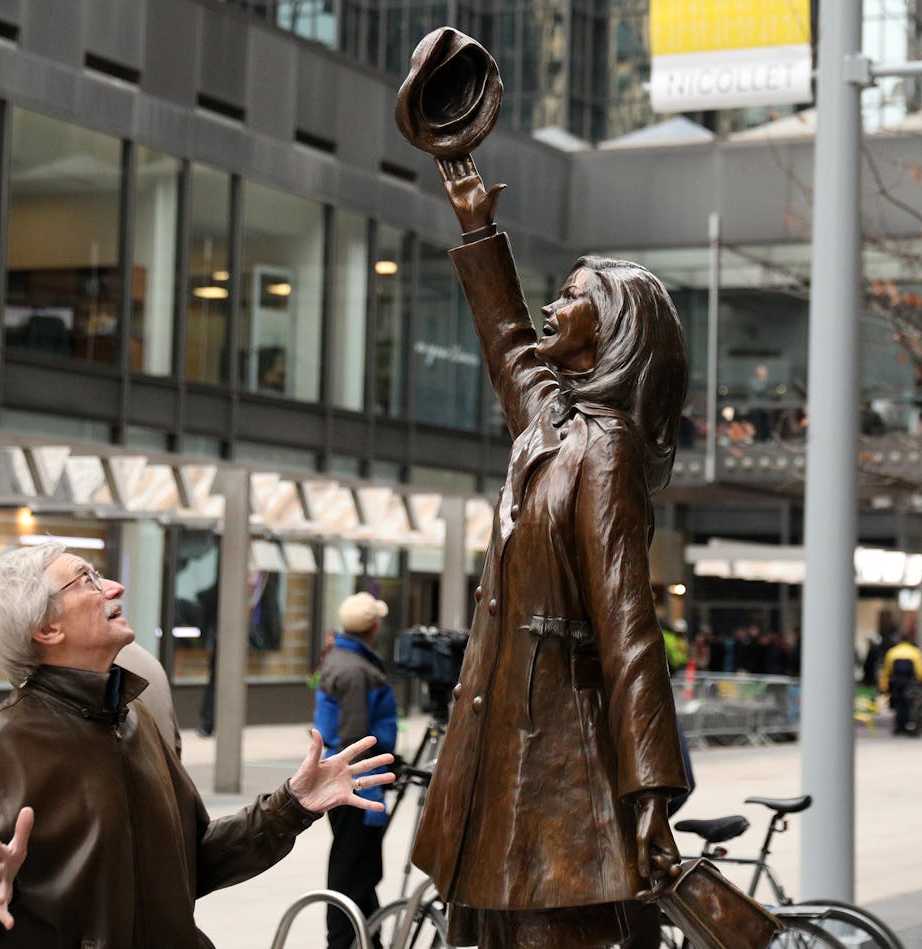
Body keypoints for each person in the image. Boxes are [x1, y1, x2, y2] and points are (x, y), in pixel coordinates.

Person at [408, 153, 688, 949]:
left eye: (572, 297)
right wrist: (476, 227)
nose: (553, 307)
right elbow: (505, 342)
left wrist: (652, 790)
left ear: (614, 328)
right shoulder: (551, 425)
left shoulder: (608, 450)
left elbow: (630, 628)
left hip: (564, 767)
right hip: (501, 754)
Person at [0, 542, 394, 948]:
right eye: (88, 580)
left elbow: (195, 862)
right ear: (46, 627)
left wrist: (292, 805)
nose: (114, 587)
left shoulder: (136, 720)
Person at [315, 591, 399, 949]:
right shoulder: (357, 670)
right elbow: (355, 738)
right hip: (356, 785)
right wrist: (368, 787)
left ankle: (368, 940)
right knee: (352, 875)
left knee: (358, 874)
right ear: (374, 627)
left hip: (345, 781)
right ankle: (342, 942)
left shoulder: (341, 658)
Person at [879, 634, 922, 736]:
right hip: (909, 682)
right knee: (909, 705)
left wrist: (883, 685)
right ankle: (908, 725)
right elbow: (920, 671)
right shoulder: (915, 652)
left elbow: (886, 670)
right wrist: (921, 680)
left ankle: (899, 726)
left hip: (896, 682)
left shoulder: (892, 652)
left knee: (898, 705)